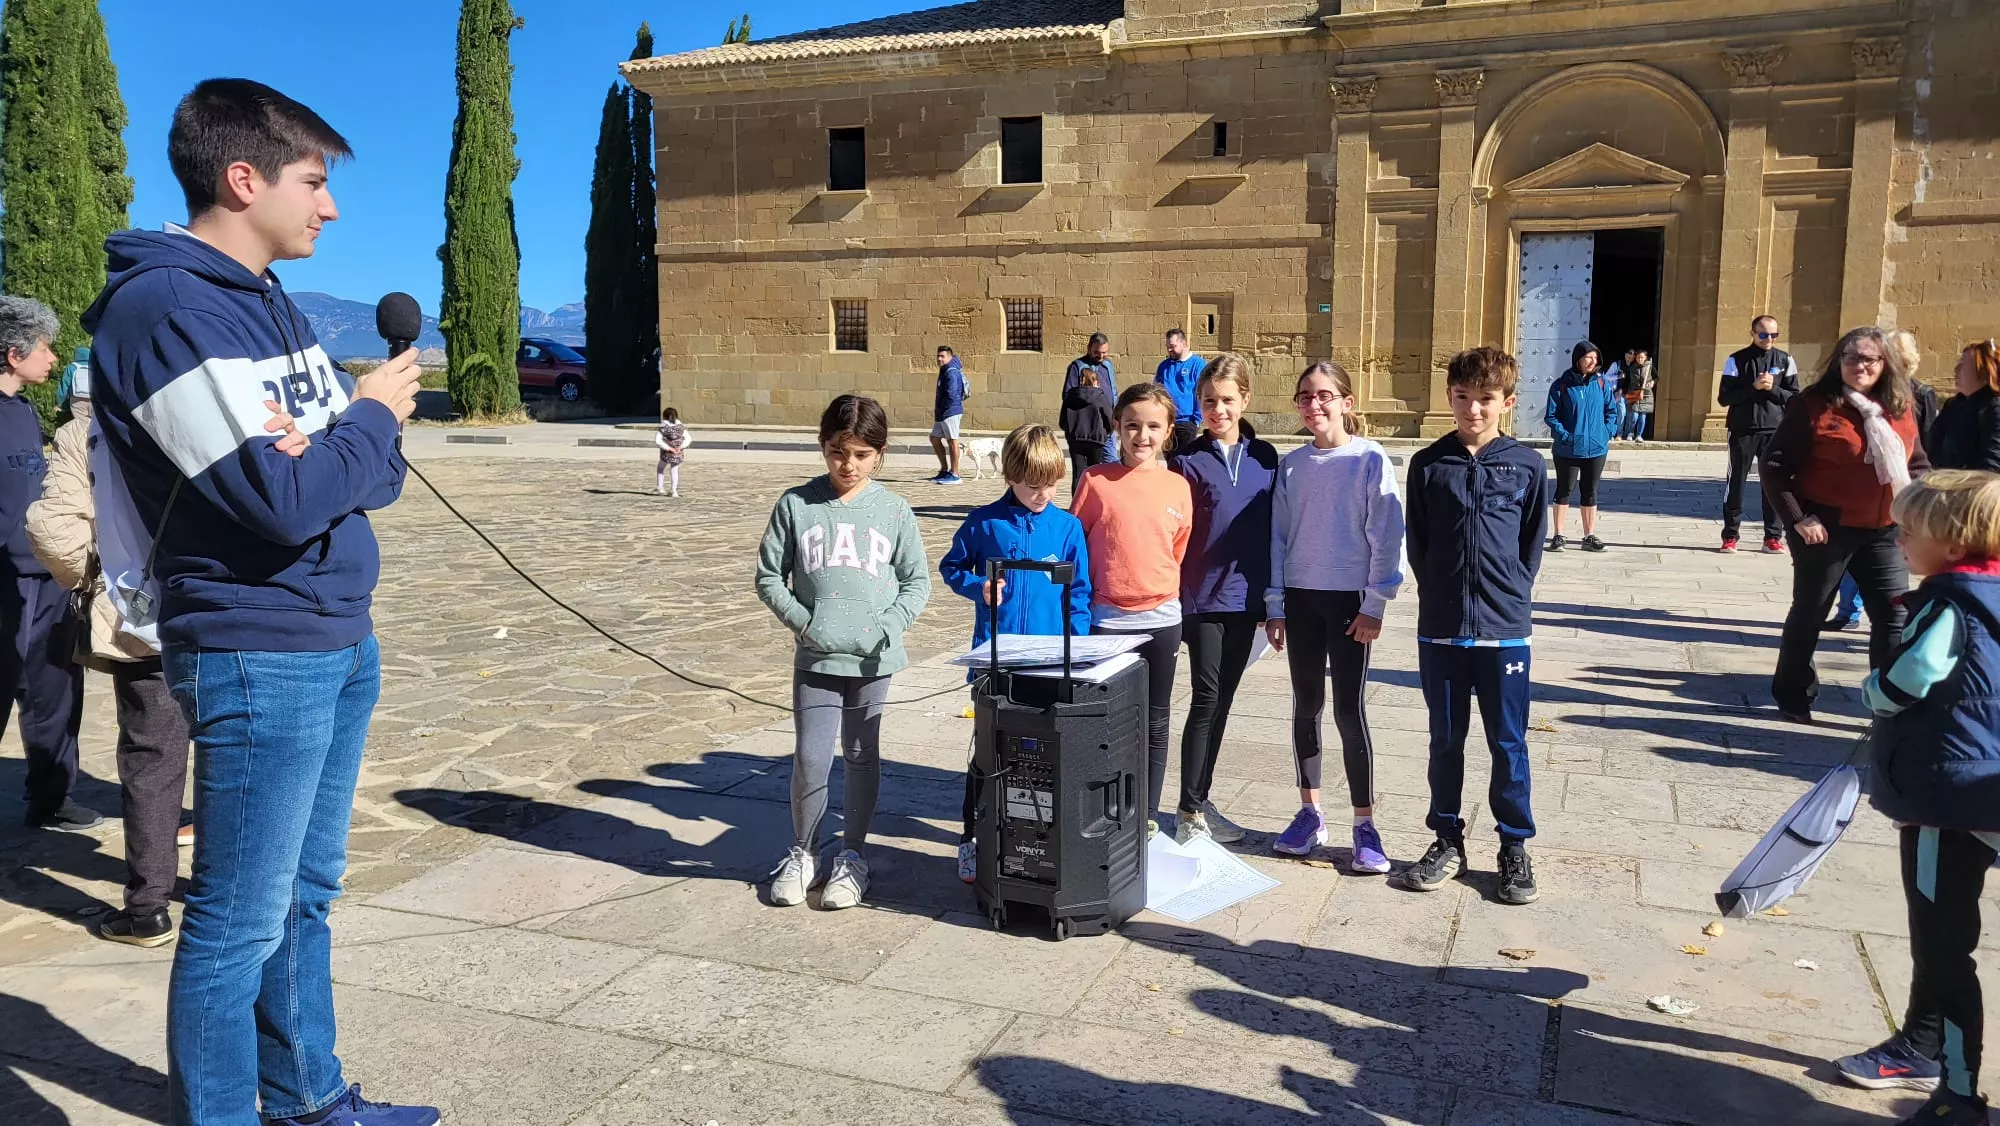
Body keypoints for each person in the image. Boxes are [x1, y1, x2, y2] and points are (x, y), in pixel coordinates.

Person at [82, 79, 430, 1125]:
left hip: (333, 634)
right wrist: (362, 420)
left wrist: (348, 444)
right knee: (236, 921)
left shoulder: (270, 301)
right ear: (244, 179)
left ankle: (308, 1098)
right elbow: (284, 499)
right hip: (253, 645)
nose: (330, 208)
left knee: (303, 898)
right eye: (315, 182)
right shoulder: (167, 312)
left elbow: (373, 477)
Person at [27, 364, 222, 945]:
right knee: (229, 750)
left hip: (141, 617)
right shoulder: (210, 404)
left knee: (151, 759)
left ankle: (148, 906)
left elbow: (54, 527)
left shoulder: (84, 430)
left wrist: (90, 582)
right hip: (225, 608)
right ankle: (223, 891)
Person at [1830, 470, 2000, 1126]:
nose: (1898, 540)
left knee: (1942, 946)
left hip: (1945, 800)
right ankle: (1925, 1046)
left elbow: (1913, 675)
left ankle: (1958, 1089)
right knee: (1952, 934)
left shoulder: (1949, 601)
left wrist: (1873, 692)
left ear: (1953, 543)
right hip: (1987, 790)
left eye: (1910, 531)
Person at [754, 394, 931, 910]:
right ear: (822, 446)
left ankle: (852, 855)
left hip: (873, 660)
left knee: (860, 755)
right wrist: (803, 622)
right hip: (816, 659)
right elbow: (769, 576)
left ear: (879, 453)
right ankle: (802, 851)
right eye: (836, 452)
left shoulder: (894, 510)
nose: (847, 465)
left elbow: (915, 581)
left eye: (859, 454)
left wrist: (889, 625)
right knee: (811, 758)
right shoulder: (796, 505)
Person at [1401, 346, 1547, 906]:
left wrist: (1507, 589)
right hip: (1441, 629)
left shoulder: (1528, 466)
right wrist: (1441, 589)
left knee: (1508, 742)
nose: (1473, 410)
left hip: (1504, 630)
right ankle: (1445, 838)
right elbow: (1421, 543)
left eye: (1485, 400)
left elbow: (1530, 548)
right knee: (1445, 740)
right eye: (1462, 398)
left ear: (1507, 403)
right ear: (1449, 399)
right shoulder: (1429, 464)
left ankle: (1514, 845)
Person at [1263, 361, 1404, 871]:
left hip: (1349, 602)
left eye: (1324, 395)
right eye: (1305, 396)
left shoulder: (1368, 458)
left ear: (1346, 402)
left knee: (1349, 711)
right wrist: (1274, 604)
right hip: (1301, 598)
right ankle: (1310, 813)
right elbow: (1279, 536)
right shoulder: (1292, 465)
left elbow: (1386, 533)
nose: (1314, 404)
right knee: (1306, 706)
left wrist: (1375, 602)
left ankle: (1365, 824)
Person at [938, 424, 1092, 881]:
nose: (1041, 493)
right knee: (986, 754)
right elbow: (952, 566)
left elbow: (1080, 594)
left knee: (1044, 753)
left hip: (1047, 662)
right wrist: (977, 587)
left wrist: (1075, 651)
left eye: (1050, 483)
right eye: (1031, 484)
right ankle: (971, 837)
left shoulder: (1068, 528)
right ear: (1010, 475)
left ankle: (1035, 838)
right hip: (996, 660)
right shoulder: (985, 522)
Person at [1762, 325, 1929, 723]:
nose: (1859, 366)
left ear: (1885, 363)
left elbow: (1916, 461)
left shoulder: (1900, 404)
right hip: (1826, 529)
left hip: (1885, 527)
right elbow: (1774, 465)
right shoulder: (1813, 404)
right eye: (1850, 357)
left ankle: (1889, 703)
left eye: (1869, 358)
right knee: (1810, 612)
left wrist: (1924, 501)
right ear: (1838, 362)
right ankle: (1793, 696)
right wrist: (1798, 518)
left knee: (1893, 616)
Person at [1071, 383, 1192, 829]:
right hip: (1108, 621)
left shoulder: (1177, 487)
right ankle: (1105, 813)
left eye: (1153, 427)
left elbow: (1177, 548)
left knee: (1155, 722)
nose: (1142, 435)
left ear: (1168, 432)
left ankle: (1146, 814)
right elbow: (1077, 546)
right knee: (1107, 721)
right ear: (1117, 427)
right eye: (1132, 426)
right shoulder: (1095, 481)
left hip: (1162, 619)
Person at [1171, 353, 1273, 846]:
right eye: (1209, 401)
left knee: (1224, 701)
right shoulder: (1185, 461)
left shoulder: (1267, 458)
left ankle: (1201, 798)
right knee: (1206, 699)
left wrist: (1275, 603)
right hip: (1201, 601)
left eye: (1227, 400)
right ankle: (1188, 811)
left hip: (1248, 601)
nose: (1218, 410)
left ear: (1245, 400)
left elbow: (1278, 532)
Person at [0, 297, 93, 833]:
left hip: (47, 577)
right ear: (14, 354)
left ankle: (51, 798)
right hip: (4, 584)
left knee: (56, 689)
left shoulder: (22, 413)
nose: (53, 358)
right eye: (43, 347)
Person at [1719, 315, 1802, 554]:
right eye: (1764, 334)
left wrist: (1772, 388)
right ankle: (1730, 535)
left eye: (1774, 335)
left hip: (1774, 430)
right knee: (1736, 483)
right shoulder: (1736, 360)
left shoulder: (1785, 360)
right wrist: (1753, 388)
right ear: (1753, 333)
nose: (1769, 339)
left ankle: (1773, 537)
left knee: (1774, 483)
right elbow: (1725, 398)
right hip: (1742, 429)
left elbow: (1795, 397)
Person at [1543, 340, 1618, 552]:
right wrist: (1565, 436)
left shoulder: (1601, 384)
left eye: (1596, 358)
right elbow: (1551, 415)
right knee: (1564, 491)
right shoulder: (1562, 385)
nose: (1593, 362)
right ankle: (1558, 535)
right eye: (1589, 357)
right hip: (1568, 449)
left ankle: (1589, 536)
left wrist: (1607, 432)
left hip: (1596, 448)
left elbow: (1611, 411)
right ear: (1578, 359)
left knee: (1590, 492)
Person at [1930, 340, 2000, 472]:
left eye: (1962, 365)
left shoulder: (1994, 409)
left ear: (1983, 371)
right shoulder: (1953, 405)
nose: (1956, 370)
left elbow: (1992, 465)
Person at [1063, 332, 1118, 460]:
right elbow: (1068, 396)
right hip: (1090, 427)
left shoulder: (1108, 365)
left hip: (1107, 424)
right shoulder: (1077, 367)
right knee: (1089, 469)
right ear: (1089, 348)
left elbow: (1113, 391)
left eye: (1104, 352)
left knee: (1112, 462)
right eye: (1097, 352)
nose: (1101, 356)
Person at [1060, 367, 1115, 492]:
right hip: (1096, 439)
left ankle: (1076, 504)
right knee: (1094, 472)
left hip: (1075, 439)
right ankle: (1092, 502)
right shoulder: (1100, 397)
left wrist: (1070, 432)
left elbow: (1063, 420)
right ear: (1095, 381)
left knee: (1078, 473)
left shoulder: (1070, 396)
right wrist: (1106, 432)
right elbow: (1108, 417)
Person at [1155, 328, 1205, 452]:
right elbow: (1157, 390)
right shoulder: (1164, 366)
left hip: (1187, 422)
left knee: (1183, 461)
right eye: (1168, 347)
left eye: (1172, 346)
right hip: (1167, 421)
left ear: (1183, 343)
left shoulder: (1198, 364)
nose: (1169, 350)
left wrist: (1196, 419)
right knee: (1170, 461)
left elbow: (1202, 392)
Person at [929, 345, 966, 486]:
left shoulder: (950, 372)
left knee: (952, 441)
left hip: (950, 411)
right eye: (938, 356)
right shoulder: (944, 370)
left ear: (950, 357)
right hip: (943, 412)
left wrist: (945, 407)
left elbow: (952, 394)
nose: (939, 359)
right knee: (934, 437)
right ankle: (945, 469)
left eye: (942, 356)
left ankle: (955, 474)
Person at [1617, 348, 1655, 442]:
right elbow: (1627, 380)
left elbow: (1656, 377)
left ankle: (1639, 435)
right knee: (1634, 416)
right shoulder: (1632, 368)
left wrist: (1653, 382)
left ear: (1645, 358)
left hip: (1646, 394)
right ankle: (1630, 433)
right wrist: (1622, 390)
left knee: (1642, 416)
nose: (1640, 359)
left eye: (1642, 357)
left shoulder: (1649, 366)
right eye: (1638, 357)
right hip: (1634, 393)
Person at [655, 406, 687, 497]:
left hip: (667, 452)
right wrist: (680, 447)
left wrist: (669, 448)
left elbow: (658, 441)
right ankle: (673, 490)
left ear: (664, 416)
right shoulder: (680, 426)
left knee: (660, 467)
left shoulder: (663, 427)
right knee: (674, 470)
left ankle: (660, 488)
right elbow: (688, 438)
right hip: (678, 452)